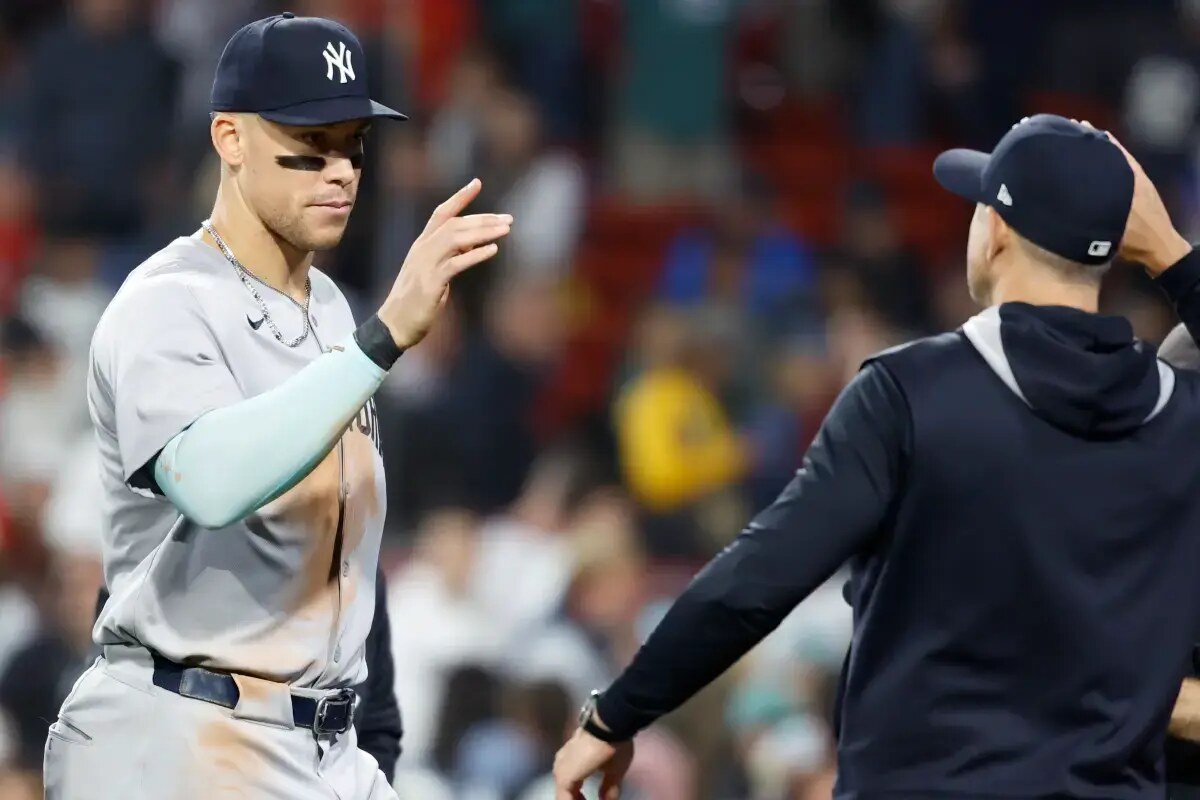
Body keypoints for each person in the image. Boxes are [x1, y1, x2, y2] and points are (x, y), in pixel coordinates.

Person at [552, 114, 1200, 800]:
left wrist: (616, 714)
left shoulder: (911, 391)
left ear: (997, 232)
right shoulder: (1179, 412)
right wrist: (1174, 257)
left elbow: (759, 577)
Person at [43, 13, 510, 800]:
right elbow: (210, 484)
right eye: (312, 142)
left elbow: (342, 556)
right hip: (182, 734)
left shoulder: (331, 309)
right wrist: (382, 341)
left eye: (353, 145)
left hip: (319, 746)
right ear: (230, 138)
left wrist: (375, 742)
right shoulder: (168, 301)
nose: (341, 171)